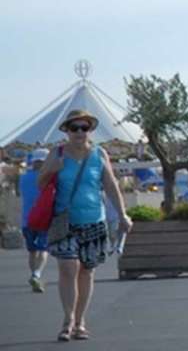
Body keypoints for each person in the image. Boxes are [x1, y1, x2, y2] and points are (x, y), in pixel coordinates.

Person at [36, 110, 133, 342]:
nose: (79, 132)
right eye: (74, 128)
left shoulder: (99, 154)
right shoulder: (57, 153)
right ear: (67, 131)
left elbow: (110, 186)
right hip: (65, 221)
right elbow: (40, 183)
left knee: (87, 271)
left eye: (84, 128)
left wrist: (122, 214)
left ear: (90, 130)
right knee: (68, 267)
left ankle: (80, 322)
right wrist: (52, 169)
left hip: (94, 220)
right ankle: (68, 320)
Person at [20, 148, 50, 293]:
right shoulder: (48, 177)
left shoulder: (23, 178)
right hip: (44, 218)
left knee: (32, 251)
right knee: (43, 249)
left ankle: (34, 276)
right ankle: (37, 274)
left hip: (27, 220)